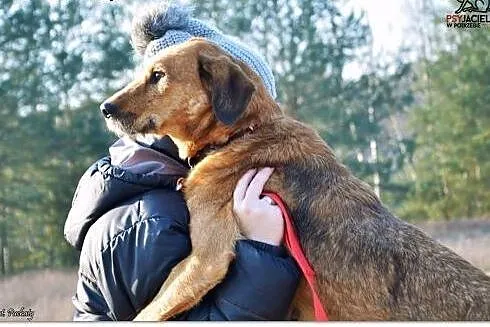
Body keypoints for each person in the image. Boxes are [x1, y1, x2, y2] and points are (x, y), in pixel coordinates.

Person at [63, 2, 300, 321]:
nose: (257, 127)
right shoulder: (156, 221)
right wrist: (262, 250)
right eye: (251, 112)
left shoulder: (155, 195)